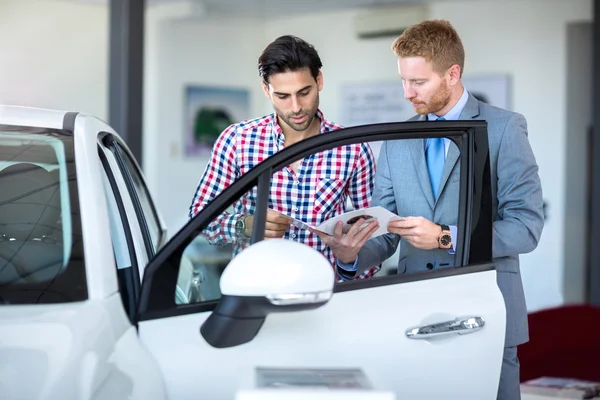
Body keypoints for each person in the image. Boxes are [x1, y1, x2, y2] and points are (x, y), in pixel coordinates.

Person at [315, 20, 544, 399]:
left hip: (486, 310)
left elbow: (526, 226)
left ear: (452, 74)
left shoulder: (504, 129)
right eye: (403, 81)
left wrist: (444, 236)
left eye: (418, 82)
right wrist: (351, 254)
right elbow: (384, 231)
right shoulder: (398, 138)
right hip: (415, 315)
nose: (407, 93)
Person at [189, 35, 379, 279]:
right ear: (266, 90)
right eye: (283, 96)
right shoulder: (237, 140)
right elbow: (200, 217)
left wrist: (350, 260)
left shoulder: (352, 148)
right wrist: (246, 225)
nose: (296, 107)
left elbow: (374, 236)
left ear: (319, 80)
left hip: (326, 293)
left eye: (304, 92)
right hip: (254, 290)